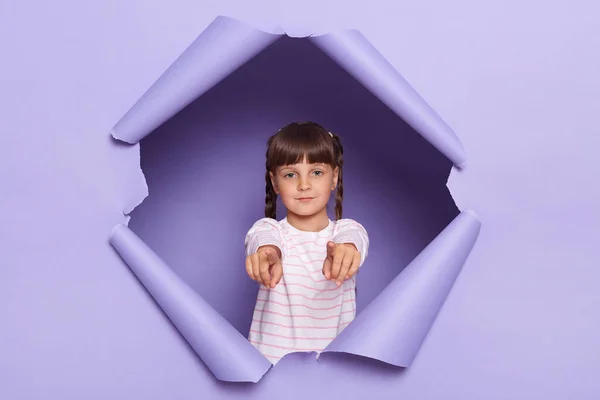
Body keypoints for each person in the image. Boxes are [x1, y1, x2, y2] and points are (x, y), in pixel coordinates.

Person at [244, 121, 369, 363]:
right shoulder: (270, 231)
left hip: (333, 377)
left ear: (334, 177)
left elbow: (354, 238)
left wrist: (345, 252)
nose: (304, 185)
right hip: (270, 373)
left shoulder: (345, 233)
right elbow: (262, 239)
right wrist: (268, 253)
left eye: (317, 172)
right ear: (275, 182)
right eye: (291, 175)